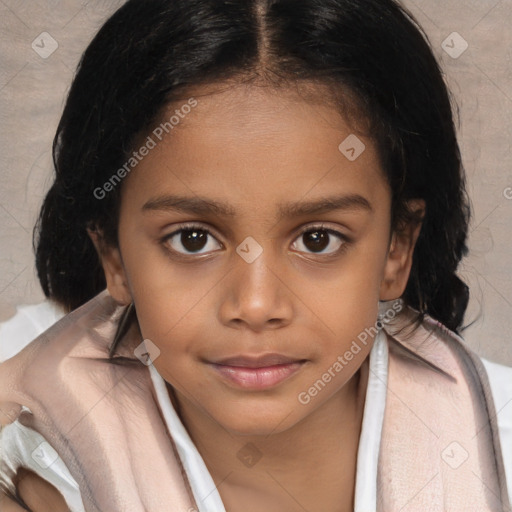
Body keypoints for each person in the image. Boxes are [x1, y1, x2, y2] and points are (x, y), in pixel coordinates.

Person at [0, 0, 511, 510]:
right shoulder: (34, 425)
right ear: (113, 254)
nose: (257, 304)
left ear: (397, 248)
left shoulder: (497, 440)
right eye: (193, 239)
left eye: (318, 239)